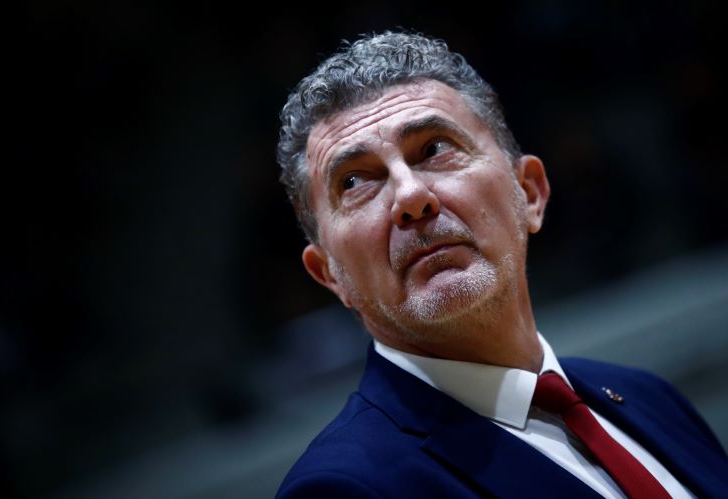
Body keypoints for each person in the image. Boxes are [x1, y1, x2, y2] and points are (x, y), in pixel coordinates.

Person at [274, 31, 728, 498]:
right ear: (330, 275)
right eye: (354, 181)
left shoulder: (651, 398)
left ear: (529, 193)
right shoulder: (343, 488)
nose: (410, 196)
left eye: (434, 149)